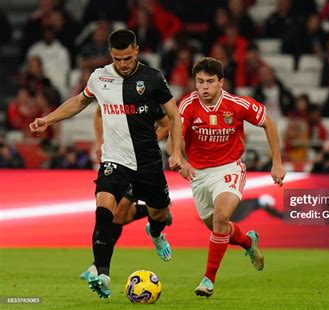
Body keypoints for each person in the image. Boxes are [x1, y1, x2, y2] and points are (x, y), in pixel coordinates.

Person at [29, 29, 183, 299]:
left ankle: (156, 232)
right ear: (110, 54)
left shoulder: (152, 78)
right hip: (115, 159)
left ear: (136, 50)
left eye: (126, 57)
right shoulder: (99, 77)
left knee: (160, 213)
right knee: (104, 208)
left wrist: (176, 152)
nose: (122, 64)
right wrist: (47, 120)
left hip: (147, 161)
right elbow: (79, 102)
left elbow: (174, 115)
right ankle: (102, 273)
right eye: (116, 58)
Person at [175, 57, 286, 297]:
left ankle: (208, 280)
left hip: (228, 169)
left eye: (210, 82)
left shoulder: (236, 104)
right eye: (200, 81)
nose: (204, 87)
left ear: (221, 83)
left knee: (222, 216)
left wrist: (277, 162)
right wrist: (181, 160)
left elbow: (269, 123)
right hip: (198, 174)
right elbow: (175, 136)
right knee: (217, 226)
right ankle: (248, 242)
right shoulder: (187, 105)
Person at [80, 106, 172, 281]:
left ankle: (159, 218)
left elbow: (167, 124)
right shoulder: (111, 90)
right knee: (114, 212)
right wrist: (100, 141)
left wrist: (145, 143)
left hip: (143, 163)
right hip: (117, 161)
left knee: (120, 213)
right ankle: (99, 267)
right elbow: (99, 112)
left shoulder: (146, 89)